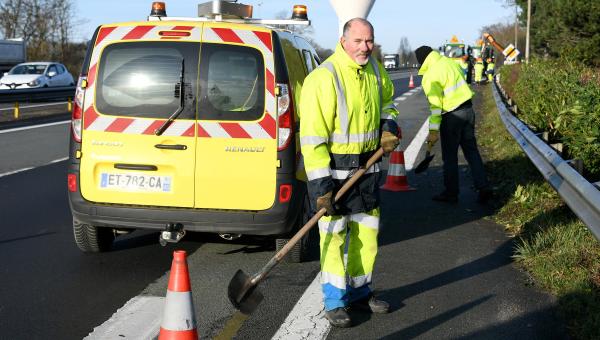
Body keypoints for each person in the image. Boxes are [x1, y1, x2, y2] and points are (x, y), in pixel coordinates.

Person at [299, 18, 400, 328]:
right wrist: (321, 186)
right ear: (343, 41)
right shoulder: (324, 78)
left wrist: (389, 126)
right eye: (358, 41)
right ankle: (334, 300)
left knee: (366, 236)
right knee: (332, 238)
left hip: (367, 172)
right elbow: (313, 137)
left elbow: (388, 104)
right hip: (334, 176)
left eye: (369, 41)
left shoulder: (375, 72)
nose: (365, 47)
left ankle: (359, 292)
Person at [414, 45, 492, 203]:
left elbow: (436, 107)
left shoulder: (430, 76)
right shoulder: (449, 62)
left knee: (450, 157)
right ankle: (484, 188)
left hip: (452, 117)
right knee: (472, 152)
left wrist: (434, 130)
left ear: (422, 62)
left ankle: (451, 193)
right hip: (468, 110)